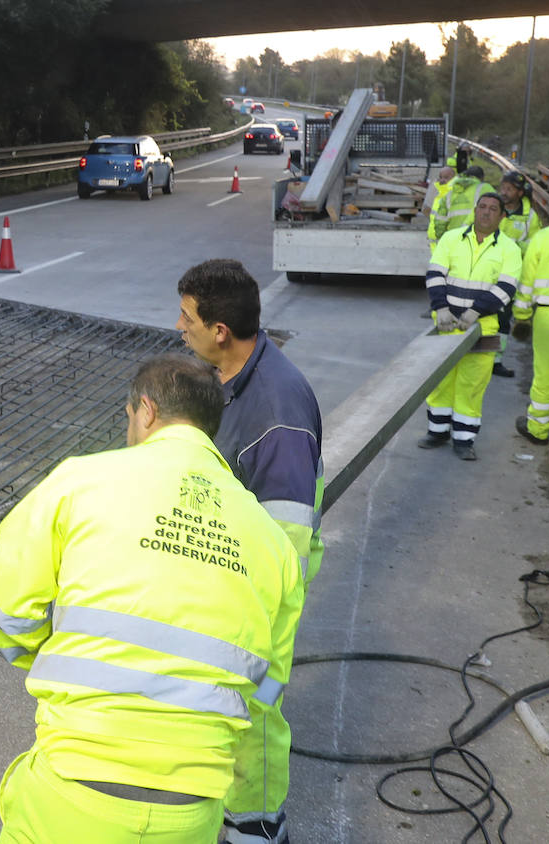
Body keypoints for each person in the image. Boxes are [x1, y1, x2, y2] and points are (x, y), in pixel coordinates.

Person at [0, 354, 304, 844]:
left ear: (147, 411)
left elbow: (12, 615)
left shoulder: (79, 481)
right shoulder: (272, 541)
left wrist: (56, 658)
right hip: (192, 812)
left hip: (72, 786)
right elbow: (264, 692)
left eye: (129, 416)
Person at [175, 258, 322, 844]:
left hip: (258, 589)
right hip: (228, 569)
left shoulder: (277, 416)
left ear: (220, 331)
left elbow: (285, 542)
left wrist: (253, 620)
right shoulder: (232, 375)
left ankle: (258, 825)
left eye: (187, 318)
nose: (179, 326)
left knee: (253, 708)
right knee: (227, 700)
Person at [420, 191, 522, 461]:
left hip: (482, 329)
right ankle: (437, 431)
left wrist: (476, 311)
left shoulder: (509, 249)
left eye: (493, 209)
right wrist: (440, 307)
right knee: (440, 380)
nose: (486, 212)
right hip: (445, 325)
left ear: (502, 216)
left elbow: (507, 288)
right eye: (482, 206)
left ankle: (463, 440)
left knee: (472, 385)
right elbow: (435, 273)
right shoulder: (451, 238)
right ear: (475, 210)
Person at [512, 205, 549, 469]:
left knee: (545, 374)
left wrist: (521, 315)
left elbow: (527, 282)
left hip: (548, 315)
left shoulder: (544, 237)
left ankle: (537, 429)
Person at [490, 171, 544, 377]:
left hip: (510, 278)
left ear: (520, 193)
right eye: (502, 187)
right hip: (485, 274)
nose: (504, 192)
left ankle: (496, 361)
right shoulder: (492, 207)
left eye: (509, 189)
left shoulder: (530, 218)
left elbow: (534, 247)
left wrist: (511, 246)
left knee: (503, 321)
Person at [428, 150, 494, 249]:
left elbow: (441, 218)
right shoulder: (486, 189)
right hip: (477, 241)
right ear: (481, 178)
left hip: (453, 241)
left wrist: (441, 237)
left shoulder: (451, 189)